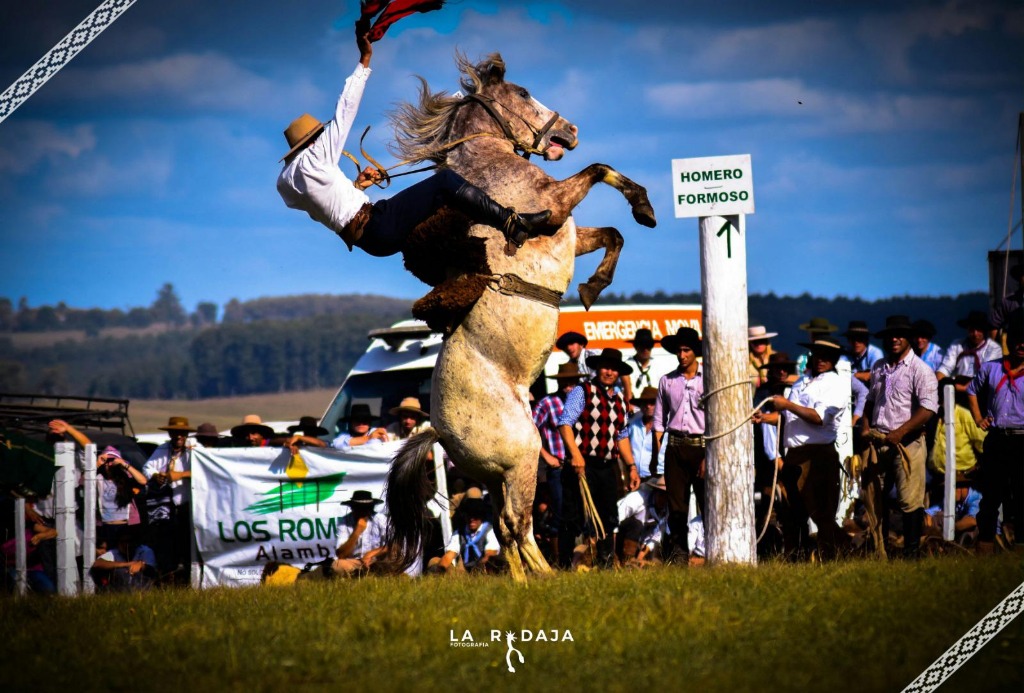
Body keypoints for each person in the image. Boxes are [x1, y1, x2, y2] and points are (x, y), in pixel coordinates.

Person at [277, 20, 552, 258]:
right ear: (312, 142)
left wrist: (357, 186)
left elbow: (330, 204)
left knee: (445, 200)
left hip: (370, 241)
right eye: (320, 136)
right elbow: (345, 110)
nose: (325, 138)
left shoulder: (288, 185)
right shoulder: (315, 158)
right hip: (377, 223)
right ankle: (511, 224)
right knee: (445, 182)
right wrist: (364, 62)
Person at [753, 340, 850, 560]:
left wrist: (787, 405)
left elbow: (819, 418)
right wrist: (765, 418)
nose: (821, 359)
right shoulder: (801, 381)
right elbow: (789, 417)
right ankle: (797, 557)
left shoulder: (835, 384)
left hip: (818, 455)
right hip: (794, 455)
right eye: (818, 354)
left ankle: (835, 555)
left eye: (827, 356)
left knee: (821, 512)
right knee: (792, 511)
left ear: (834, 359)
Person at [860, 315, 939, 559]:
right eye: (890, 336)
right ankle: (880, 550)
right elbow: (870, 401)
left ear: (908, 339)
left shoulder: (921, 370)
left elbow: (927, 410)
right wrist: (864, 427)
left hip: (909, 443)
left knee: (909, 500)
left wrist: (900, 432)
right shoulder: (879, 367)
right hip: (879, 439)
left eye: (899, 335)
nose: (894, 339)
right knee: (876, 497)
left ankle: (911, 553)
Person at [557, 348, 639, 568]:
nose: (610, 372)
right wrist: (575, 455)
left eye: (614, 369)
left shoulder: (621, 401)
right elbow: (565, 423)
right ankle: (565, 565)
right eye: (606, 367)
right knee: (572, 517)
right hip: (581, 463)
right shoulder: (583, 391)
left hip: (607, 466)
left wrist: (631, 466)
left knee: (608, 517)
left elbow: (621, 436)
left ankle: (606, 564)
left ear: (619, 373)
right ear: (598, 368)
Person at [966, 316, 1024, 553]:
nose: (1022, 345)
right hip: (998, 438)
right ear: (1010, 342)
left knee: (1022, 494)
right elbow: (971, 390)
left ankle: (1021, 546)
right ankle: (986, 544)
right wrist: (979, 417)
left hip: (1023, 439)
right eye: (1018, 340)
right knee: (991, 494)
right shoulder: (992, 367)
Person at [650, 327, 706, 564]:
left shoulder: (709, 379)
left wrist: (708, 457)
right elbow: (659, 422)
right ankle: (679, 556)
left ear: (695, 352)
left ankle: (712, 552)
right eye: (678, 351)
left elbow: (715, 419)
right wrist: (656, 456)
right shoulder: (667, 381)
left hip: (702, 446)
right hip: (674, 447)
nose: (682, 355)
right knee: (677, 507)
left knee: (707, 503)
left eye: (686, 350)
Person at [532, 362, 583, 562]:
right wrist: (545, 455)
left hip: (580, 466)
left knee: (582, 512)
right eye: (565, 381)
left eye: (572, 381)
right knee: (561, 512)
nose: (568, 385)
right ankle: (560, 561)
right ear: (559, 382)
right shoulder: (547, 403)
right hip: (559, 467)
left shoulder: (583, 402)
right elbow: (530, 429)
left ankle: (581, 558)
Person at [142, 416, 199, 581]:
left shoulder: (195, 449)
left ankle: (191, 579)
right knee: (170, 546)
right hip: (167, 508)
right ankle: (171, 579)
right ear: (170, 434)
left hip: (189, 506)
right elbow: (147, 467)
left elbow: (204, 471)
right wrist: (156, 475)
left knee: (189, 546)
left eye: (182, 433)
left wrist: (181, 475)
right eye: (175, 433)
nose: (179, 437)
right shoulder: (162, 450)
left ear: (187, 435)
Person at [429, 497, 501, 573]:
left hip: (486, 571)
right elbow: (449, 556)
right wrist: (440, 569)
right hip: (466, 573)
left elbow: (490, 553)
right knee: (434, 561)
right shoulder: (459, 534)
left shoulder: (488, 532)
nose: (471, 519)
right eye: (469, 515)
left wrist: (479, 567)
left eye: (475, 515)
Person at [937, 310, 1003, 391]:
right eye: (972, 330)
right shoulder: (957, 345)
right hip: (955, 388)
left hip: (981, 392)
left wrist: (963, 388)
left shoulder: (994, 349)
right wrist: (941, 382)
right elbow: (945, 368)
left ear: (984, 330)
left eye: (979, 330)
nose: (975, 334)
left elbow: (985, 376)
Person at [95, 445, 147, 548]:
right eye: (106, 461)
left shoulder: (126, 478)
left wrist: (124, 464)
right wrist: (97, 463)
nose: (109, 464)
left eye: (112, 460)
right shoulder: (98, 478)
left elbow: (143, 481)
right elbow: (82, 482)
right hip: (106, 526)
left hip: (125, 526)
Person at [332, 490, 388, 576]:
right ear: (352, 508)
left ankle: (371, 573)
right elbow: (341, 555)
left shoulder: (381, 519)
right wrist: (357, 532)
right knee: (337, 565)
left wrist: (372, 553)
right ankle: (360, 574)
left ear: (371, 508)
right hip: (356, 562)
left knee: (394, 559)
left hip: (377, 561)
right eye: (358, 508)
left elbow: (393, 545)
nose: (362, 511)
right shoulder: (344, 521)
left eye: (366, 508)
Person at [91, 527, 158, 592]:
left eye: (129, 541)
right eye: (123, 542)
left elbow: (152, 571)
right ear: (118, 543)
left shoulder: (145, 551)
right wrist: (126, 564)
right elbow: (97, 564)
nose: (126, 545)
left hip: (144, 593)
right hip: (120, 593)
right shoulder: (114, 553)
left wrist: (142, 566)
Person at [624, 386, 661, 481]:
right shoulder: (631, 423)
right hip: (633, 476)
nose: (648, 406)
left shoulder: (667, 427)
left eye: (652, 403)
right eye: (645, 403)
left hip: (657, 478)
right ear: (640, 405)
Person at [624, 328, 665, 405]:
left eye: (648, 345)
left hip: (653, 407)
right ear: (635, 346)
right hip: (632, 406)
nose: (645, 349)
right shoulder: (627, 366)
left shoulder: (659, 366)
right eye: (642, 346)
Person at [843, 320, 884, 385]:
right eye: (853, 338)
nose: (856, 342)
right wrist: (859, 375)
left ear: (866, 340)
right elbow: (839, 375)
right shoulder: (844, 353)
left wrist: (850, 375)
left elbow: (874, 376)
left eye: (860, 338)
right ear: (848, 340)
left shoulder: (875, 352)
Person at [747, 325, 778, 389]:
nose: (759, 344)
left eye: (761, 341)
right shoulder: (745, 362)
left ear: (766, 341)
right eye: (755, 342)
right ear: (750, 343)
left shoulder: (776, 358)